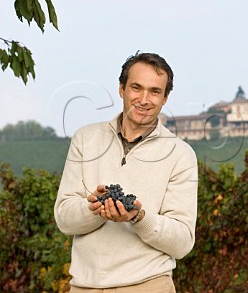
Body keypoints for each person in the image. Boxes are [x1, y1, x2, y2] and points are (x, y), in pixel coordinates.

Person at [54, 52, 198, 293]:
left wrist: (139, 218)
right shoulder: (85, 139)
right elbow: (64, 219)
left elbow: (182, 242)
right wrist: (96, 208)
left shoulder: (180, 154)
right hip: (83, 287)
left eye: (154, 91)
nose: (144, 99)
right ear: (121, 89)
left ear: (165, 98)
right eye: (136, 88)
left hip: (149, 286)